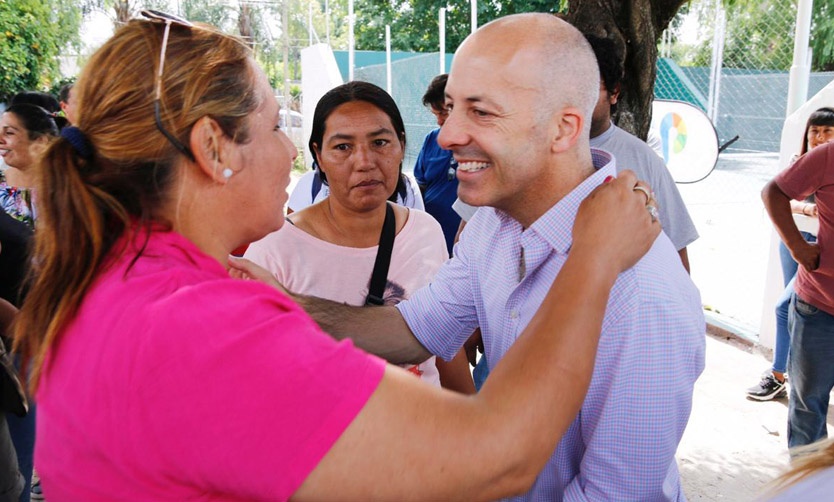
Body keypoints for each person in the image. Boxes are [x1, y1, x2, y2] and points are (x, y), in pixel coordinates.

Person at [13, 12, 660, 500]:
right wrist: (594, 258)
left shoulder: (117, 277)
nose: (293, 154)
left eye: (479, 110)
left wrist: (291, 310)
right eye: (275, 128)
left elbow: (419, 331)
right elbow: (500, 451)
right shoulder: (198, 324)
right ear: (214, 148)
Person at [237, 14, 706, 500]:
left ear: (564, 128)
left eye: (481, 112)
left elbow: (617, 494)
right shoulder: (492, 228)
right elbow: (414, 330)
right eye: (452, 107)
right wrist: (282, 305)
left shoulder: (640, 289)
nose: (446, 135)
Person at [245, 81, 474, 393]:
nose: (365, 162)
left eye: (380, 142)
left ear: (401, 145)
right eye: (343, 147)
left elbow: (443, 344)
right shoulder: (274, 246)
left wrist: (468, 417)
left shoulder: (425, 231)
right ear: (319, 156)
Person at [585, 33, 699, 272]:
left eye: (586, 88)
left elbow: (676, 246)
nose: (572, 99)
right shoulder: (534, 154)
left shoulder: (641, 158)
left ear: (614, 92)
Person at [747, 107, 834, 401]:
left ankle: (780, 373)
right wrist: (797, 245)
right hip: (802, 248)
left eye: (827, 132)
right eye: (815, 132)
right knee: (792, 308)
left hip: (815, 248)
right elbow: (777, 194)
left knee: (786, 307)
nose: (820, 138)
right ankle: (781, 375)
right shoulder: (812, 161)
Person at [763, 139, 834, 452]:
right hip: (819, 307)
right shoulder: (829, 156)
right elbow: (774, 192)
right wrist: (796, 246)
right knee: (808, 410)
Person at [413, 74, 460, 255]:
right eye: (435, 114)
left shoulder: (482, 143)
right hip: (431, 243)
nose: (439, 121)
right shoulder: (432, 139)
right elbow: (420, 187)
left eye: (443, 113)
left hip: (466, 243)